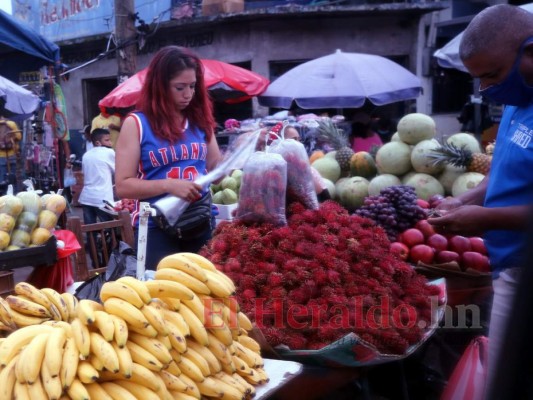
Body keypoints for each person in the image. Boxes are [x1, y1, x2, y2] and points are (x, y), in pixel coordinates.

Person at [427, 5, 533, 397]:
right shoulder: (520, 102)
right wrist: (466, 199)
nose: (486, 88)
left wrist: (486, 219)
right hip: (505, 264)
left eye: (492, 75)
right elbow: (503, 169)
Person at [115, 46, 221, 270]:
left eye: (193, 86)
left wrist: (243, 153)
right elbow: (123, 186)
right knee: (162, 299)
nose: (188, 94)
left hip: (201, 220)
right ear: (160, 87)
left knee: (207, 295)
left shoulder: (200, 120)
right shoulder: (136, 124)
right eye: (179, 87)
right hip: (156, 227)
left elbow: (217, 170)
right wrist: (169, 185)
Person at [282, 124, 330, 200]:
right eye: (294, 139)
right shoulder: (276, 171)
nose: (299, 144)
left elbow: (324, 197)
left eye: (299, 139)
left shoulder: (307, 168)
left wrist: (305, 172)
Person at [78, 128, 115, 225]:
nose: (110, 143)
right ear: (98, 142)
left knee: (90, 230)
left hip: (86, 197)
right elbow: (119, 171)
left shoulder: (86, 155)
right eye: (107, 140)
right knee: (109, 229)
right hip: (102, 198)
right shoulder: (109, 152)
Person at [0, 115, 21, 186]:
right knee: (13, 174)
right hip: (12, 152)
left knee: (2, 175)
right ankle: (13, 191)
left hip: (1, 155)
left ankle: (3, 194)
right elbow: (19, 137)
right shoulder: (11, 123)